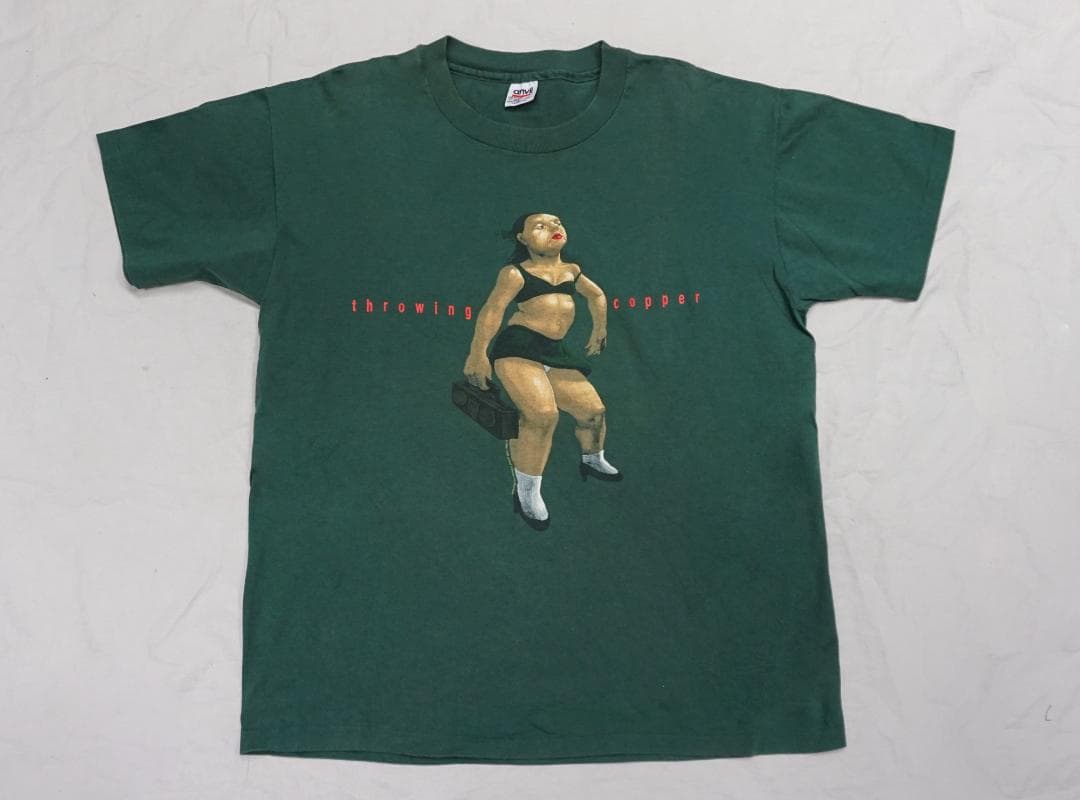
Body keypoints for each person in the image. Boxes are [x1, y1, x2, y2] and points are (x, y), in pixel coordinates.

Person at [464, 212, 622, 530]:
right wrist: (478, 354)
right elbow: (492, 310)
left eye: (557, 223)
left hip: (555, 350)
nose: (553, 228)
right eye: (540, 226)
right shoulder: (515, 273)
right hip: (518, 347)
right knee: (542, 415)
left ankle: (592, 459)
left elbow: (597, 295)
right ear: (522, 239)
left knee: (593, 412)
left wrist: (600, 328)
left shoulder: (572, 271)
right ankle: (526, 492)